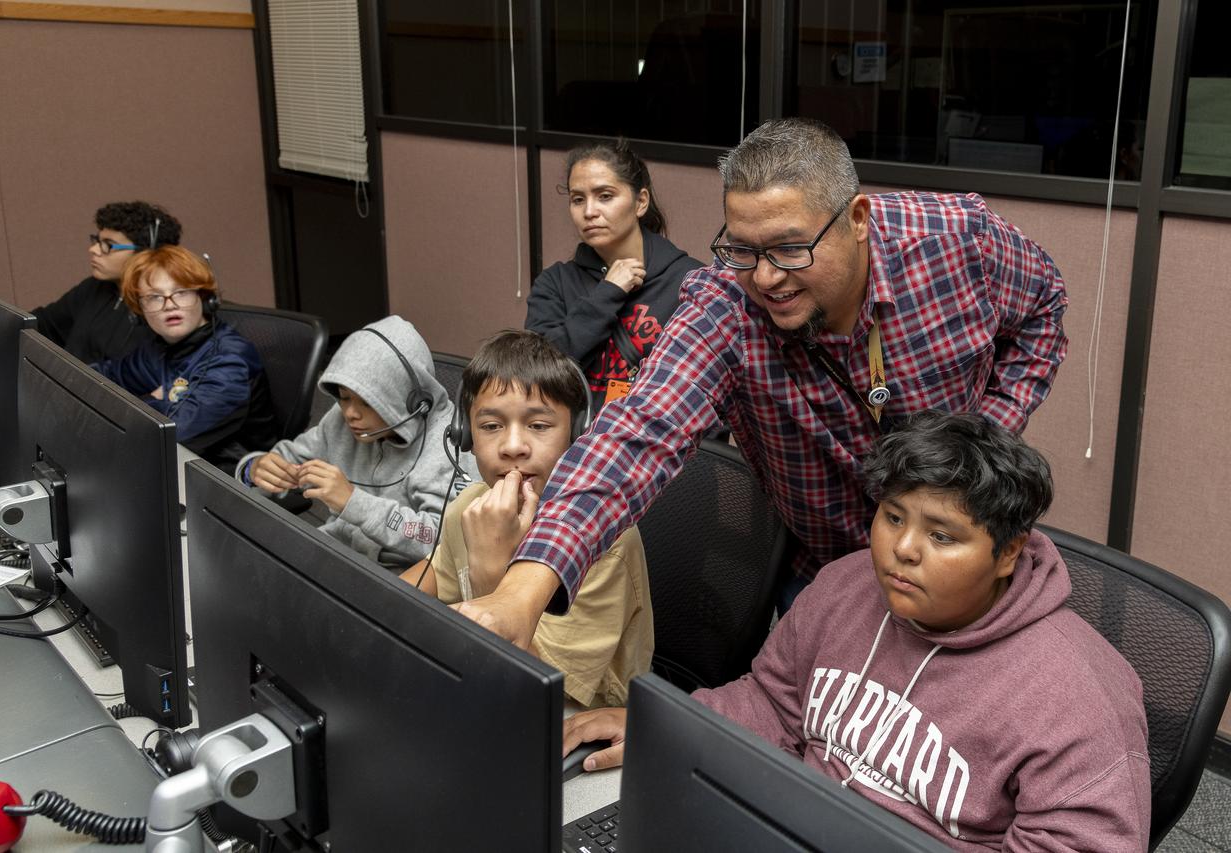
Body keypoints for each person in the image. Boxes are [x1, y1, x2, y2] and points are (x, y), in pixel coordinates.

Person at [453, 117, 1069, 646]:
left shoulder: (959, 244)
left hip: (957, 561)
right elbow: (637, 434)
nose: (767, 278)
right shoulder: (725, 306)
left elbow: (1046, 306)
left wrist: (988, 431)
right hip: (823, 565)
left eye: (789, 248)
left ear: (857, 218)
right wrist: (520, 592)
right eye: (743, 250)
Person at [563, 412, 1149, 852]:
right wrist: (677, 719)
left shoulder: (1081, 696)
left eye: (942, 536)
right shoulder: (847, 584)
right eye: (893, 517)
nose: (903, 550)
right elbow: (774, 702)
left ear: (1007, 553)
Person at [400, 331, 652, 708]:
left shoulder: (604, 543)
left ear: (577, 433)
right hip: (481, 681)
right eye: (490, 426)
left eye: (538, 425)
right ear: (464, 435)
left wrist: (491, 569)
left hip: (574, 718)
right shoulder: (472, 506)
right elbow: (431, 578)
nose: (513, 446)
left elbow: (534, 689)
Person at [238, 316, 467, 569]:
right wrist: (254, 469)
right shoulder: (340, 422)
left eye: (368, 402)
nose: (350, 414)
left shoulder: (448, 445)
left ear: (410, 402)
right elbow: (288, 459)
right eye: (344, 398)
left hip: (404, 575)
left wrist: (353, 502)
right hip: (337, 554)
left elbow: (440, 538)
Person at [525, 139, 702, 411]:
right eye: (577, 199)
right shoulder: (555, 283)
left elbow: (709, 390)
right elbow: (537, 375)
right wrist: (608, 293)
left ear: (641, 202)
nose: (589, 212)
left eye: (605, 196)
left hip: (658, 446)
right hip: (576, 446)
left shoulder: (689, 281)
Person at [93, 245, 276, 473]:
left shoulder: (229, 360)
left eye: (181, 292)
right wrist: (155, 400)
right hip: (178, 465)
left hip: (227, 479)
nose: (170, 305)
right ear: (139, 310)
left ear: (204, 297)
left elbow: (172, 433)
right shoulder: (160, 349)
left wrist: (147, 399)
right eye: (154, 297)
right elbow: (101, 377)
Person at [34, 201, 182, 364]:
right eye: (97, 241)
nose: (94, 250)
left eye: (108, 245)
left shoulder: (168, 310)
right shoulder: (93, 287)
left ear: (146, 253)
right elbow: (43, 324)